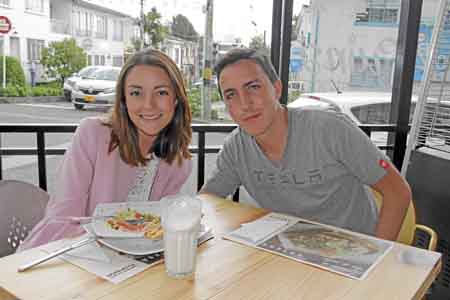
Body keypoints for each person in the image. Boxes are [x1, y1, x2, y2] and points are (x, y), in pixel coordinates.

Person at [200, 48, 411, 241]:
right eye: (231, 95)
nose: (245, 104)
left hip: (354, 252)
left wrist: (377, 255)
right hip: (290, 252)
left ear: (277, 88)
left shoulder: (329, 129)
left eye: (253, 87)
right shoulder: (236, 148)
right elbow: (207, 200)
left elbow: (397, 192)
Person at [19, 49, 193, 250]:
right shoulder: (93, 135)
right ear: (124, 100)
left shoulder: (178, 161)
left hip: (130, 267)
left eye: (161, 92)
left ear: (176, 99)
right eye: (136, 93)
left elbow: (159, 228)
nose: (148, 105)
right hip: (62, 256)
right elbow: (62, 220)